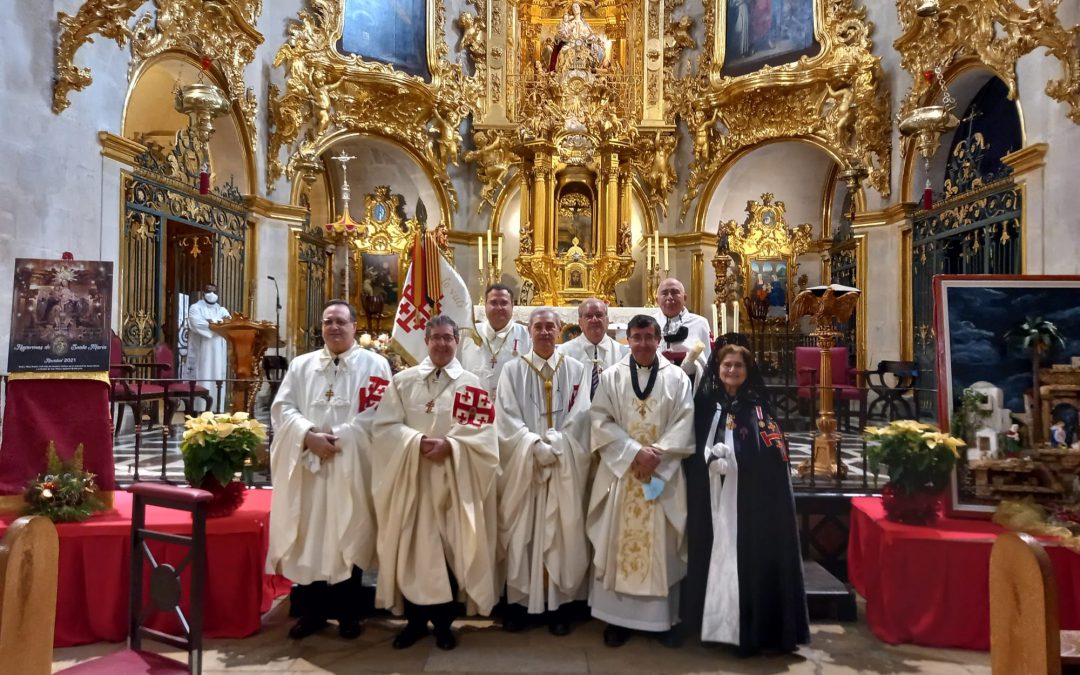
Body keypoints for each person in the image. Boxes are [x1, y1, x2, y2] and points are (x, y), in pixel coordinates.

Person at [266, 300, 393, 640]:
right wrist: (307, 436)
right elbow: (283, 408)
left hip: (351, 464)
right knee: (311, 534)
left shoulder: (375, 364)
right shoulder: (302, 365)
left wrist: (341, 437)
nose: (334, 328)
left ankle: (349, 613)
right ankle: (312, 613)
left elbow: (381, 413)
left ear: (354, 326)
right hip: (311, 466)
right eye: (327, 322)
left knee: (347, 531)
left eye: (340, 321)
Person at [372, 315, 500, 651]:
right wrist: (414, 442)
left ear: (457, 341)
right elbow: (384, 426)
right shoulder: (403, 381)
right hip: (413, 479)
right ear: (426, 341)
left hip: (454, 481)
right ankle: (414, 623)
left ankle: (444, 624)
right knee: (414, 550)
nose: (442, 343)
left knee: (448, 551)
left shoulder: (472, 383)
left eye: (448, 337)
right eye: (436, 337)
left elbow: (484, 435)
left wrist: (451, 446)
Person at [685, 343, 809, 654]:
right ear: (717, 368)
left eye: (738, 366)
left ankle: (748, 630)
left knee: (745, 560)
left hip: (747, 508)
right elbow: (692, 443)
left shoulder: (758, 409)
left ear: (747, 371)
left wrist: (735, 463)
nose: (731, 371)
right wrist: (709, 462)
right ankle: (708, 624)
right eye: (726, 365)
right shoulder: (709, 405)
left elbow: (769, 458)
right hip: (710, 502)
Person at [587, 314, 695, 648]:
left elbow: (684, 421)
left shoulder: (677, 378)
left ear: (659, 339)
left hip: (662, 473)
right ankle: (616, 619)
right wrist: (634, 453)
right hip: (625, 473)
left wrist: (656, 455)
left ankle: (661, 620)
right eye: (637, 337)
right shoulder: (611, 377)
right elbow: (599, 420)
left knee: (661, 541)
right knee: (618, 540)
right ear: (628, 339)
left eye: (649, 337)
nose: (643, 343)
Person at [496, 308, 592, 636]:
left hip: (564, 466)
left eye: (551, 326)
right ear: (529, 329)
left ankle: (560, 606)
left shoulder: (577, 369)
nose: (545, 332)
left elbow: (583, 416)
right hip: (527, 467)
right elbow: (505, 417)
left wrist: (558, 445)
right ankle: (520, 604)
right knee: (524, 532)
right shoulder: (511, 371)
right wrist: (533, 446)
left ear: (561, 329)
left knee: (563, 532)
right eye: (538, 326)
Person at [459, 283, 531, 395]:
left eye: (504, 303)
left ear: (512, 306)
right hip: (474, 404)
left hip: (513, 404)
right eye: (493, 303)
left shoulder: (527, 335)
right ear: (485, 306)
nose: (498, 308)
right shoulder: (469, 333)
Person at [559, 298, 628, 398]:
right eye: (588, 316)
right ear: (580, 322)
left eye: (599, 315)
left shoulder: (622, 353)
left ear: (607, 320)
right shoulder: (564, 353)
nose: (594, 319)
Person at [653, 278, 711, 381]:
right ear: (657, 300)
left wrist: (691, 362)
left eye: (675, 292)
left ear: (684, 298)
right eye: (664, 293)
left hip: (690, 380)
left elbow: (707, 359)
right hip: (657, 378)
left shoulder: (700, 323)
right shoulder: (651, 323)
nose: (670, 297)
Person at [186, 283, 230, 410]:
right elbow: (196, 322)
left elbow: (228, 322)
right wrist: (218, 325)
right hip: (202, 349)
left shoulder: (221, 309)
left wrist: (211, 322)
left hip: (218, 351)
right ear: (203, 293)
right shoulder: (195, 307)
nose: (211, 294)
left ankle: (217, 407)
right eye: (208, 291)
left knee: (217, 377)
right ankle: (199, 408)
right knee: (203, 376)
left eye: (214, 291)